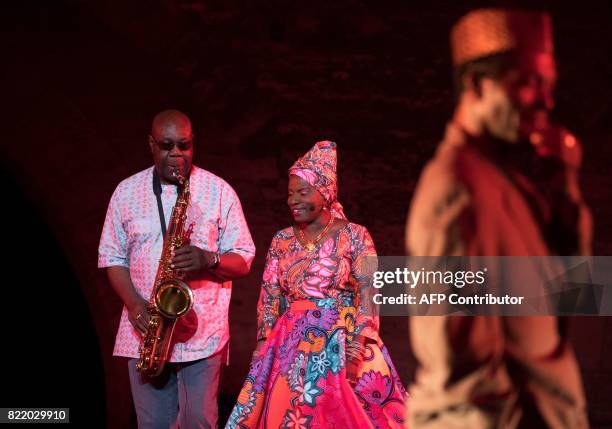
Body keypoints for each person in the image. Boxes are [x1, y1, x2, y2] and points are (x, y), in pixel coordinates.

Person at [405, 9, 592, 428]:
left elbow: (581, 295)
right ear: (477, 85)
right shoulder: (456, 189)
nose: (546, 101)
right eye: (527, 83)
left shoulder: (505, 183)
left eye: (549, 85)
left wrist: (567, 189)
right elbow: (461, 371)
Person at [226, 141, 407, 428]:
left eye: (302, 192)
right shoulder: (281, 240)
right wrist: (261, 352)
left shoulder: (356, 235)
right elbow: (270, 298)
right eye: (289, 194)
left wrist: (355, 352)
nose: (293, 200)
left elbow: (370, 293)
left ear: (324, 193)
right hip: (291, 346)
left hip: (343, 341)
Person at [98, 109, 256, 429]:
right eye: (167, 145)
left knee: (199, 421)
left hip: (203, 334)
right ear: (151, 144)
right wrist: (134, 304)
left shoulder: (218, 191)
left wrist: (208, 259)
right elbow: (112, 258)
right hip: (146, 331)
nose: (176, 155)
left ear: (193, 144)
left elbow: (243, 258)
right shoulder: (126, 192)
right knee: (153, 425)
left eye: (183, 146)